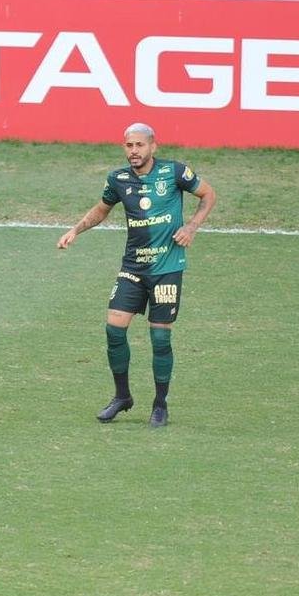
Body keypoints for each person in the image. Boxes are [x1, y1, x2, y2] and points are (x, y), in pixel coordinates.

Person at [57, 122, 217, 427]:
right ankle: (122, 397)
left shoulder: (175, 172)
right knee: (114, 329)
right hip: (132, 267)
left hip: (167, 268)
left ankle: (160, 405)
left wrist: (191, 227)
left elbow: (208, 195)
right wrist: (75, 230)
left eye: (139, 145)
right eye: (128, 145)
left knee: (159, 337)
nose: (134, 151)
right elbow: (102, 209)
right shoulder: (117, 179)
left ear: (153, 146)